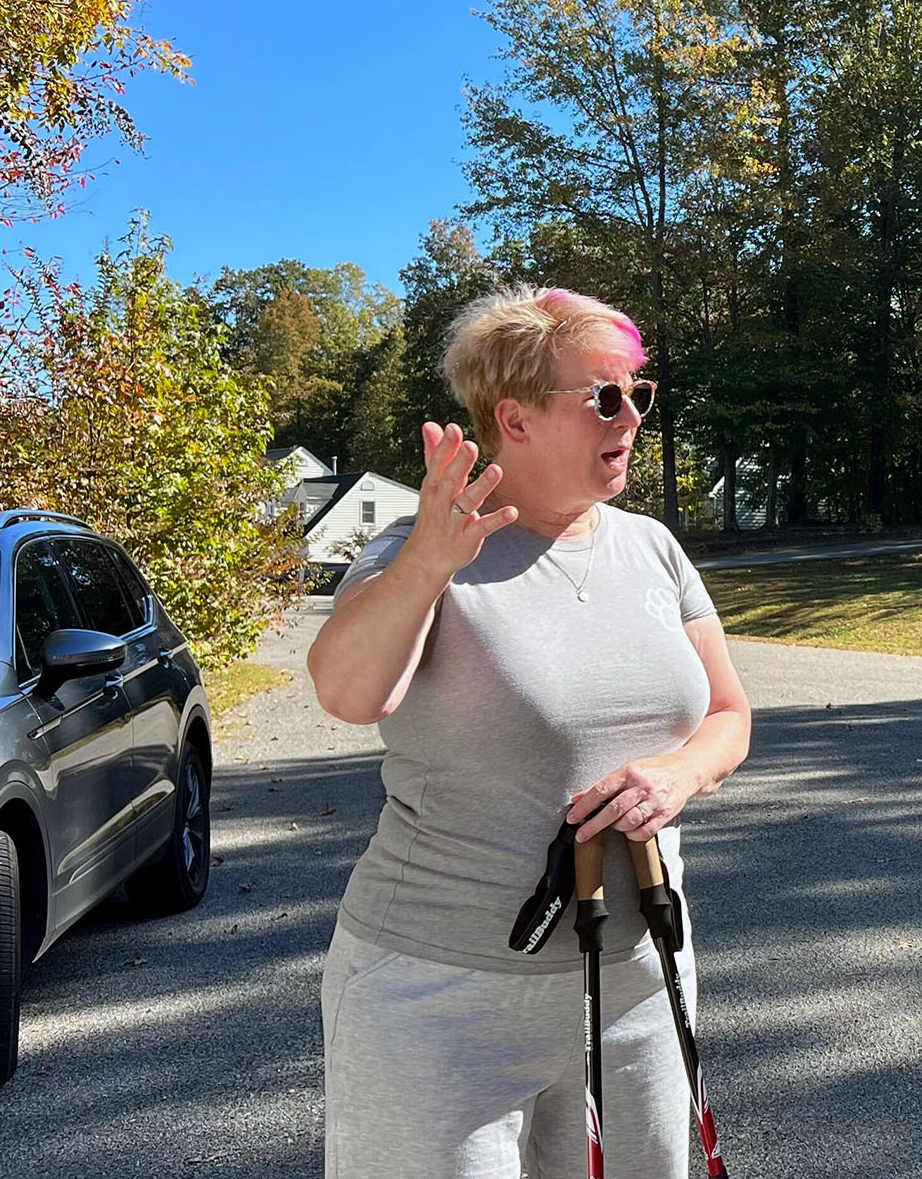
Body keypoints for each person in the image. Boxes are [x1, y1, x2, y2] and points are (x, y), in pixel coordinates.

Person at [306, 285, 752, 1179]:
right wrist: (430, 563)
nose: (630, 415)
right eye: (603, 397)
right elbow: (349, 693)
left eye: (637, 392)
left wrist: (677, 776)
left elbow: (728, 716)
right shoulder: (421, 546)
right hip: (440, 995)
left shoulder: (654, 548)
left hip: (637, 977)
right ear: (512, 417)